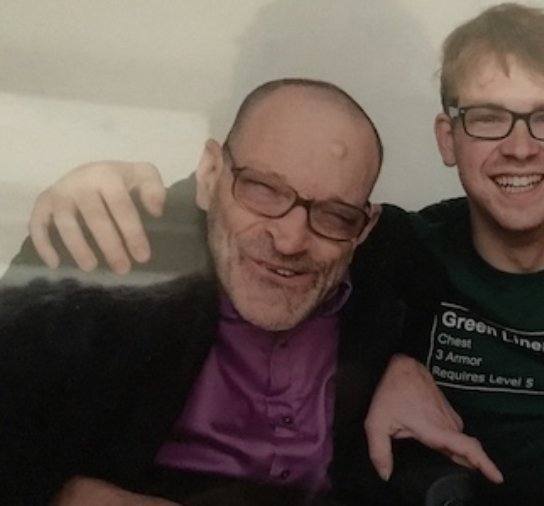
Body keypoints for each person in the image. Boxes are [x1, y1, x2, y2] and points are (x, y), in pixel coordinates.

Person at [7, 4, 544, 504]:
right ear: (445, 136)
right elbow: (257, 206)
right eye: (485, 118)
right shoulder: (397, 247)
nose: (518, 147)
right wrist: (106, 180)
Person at [0, 78, 407, 505]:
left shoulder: (387, 267)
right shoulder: (109, 246)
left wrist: (409, 361)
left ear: (364, 228)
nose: (290, 240)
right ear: (210, 173)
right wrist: (63, 494)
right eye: (263, 189)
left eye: (334, 215)